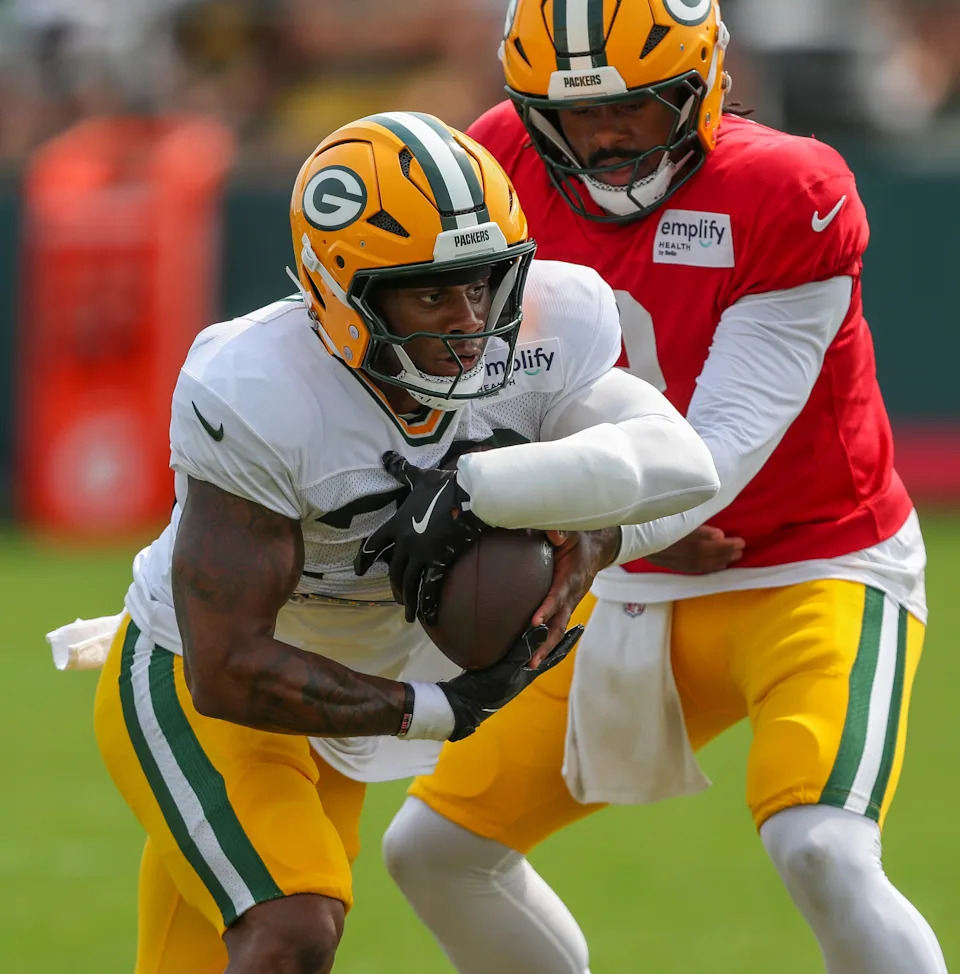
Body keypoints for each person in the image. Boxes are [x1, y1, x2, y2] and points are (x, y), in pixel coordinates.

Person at [382, 4, 948, 974]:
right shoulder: (501, 160)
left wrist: (599, 530)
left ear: (705, 84)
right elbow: (485, 385)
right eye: (574, 112)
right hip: (623, 577)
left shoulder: (788, 188)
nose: (602, 136)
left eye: (635, 108)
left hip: (810, 562)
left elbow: (719, 451)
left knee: (821, 847)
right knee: (434, 851)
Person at [83, 109, 719, 973]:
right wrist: (440, 711)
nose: (468, 320)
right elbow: (226, 666)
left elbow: (681, 462)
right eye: (430, 292)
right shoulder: (258, 388)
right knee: (293, 928)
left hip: (350, 694)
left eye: (484, 281)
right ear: (341, 292)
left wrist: (557, 524)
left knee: (220, 951)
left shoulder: (550, 321)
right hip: (204, 686)